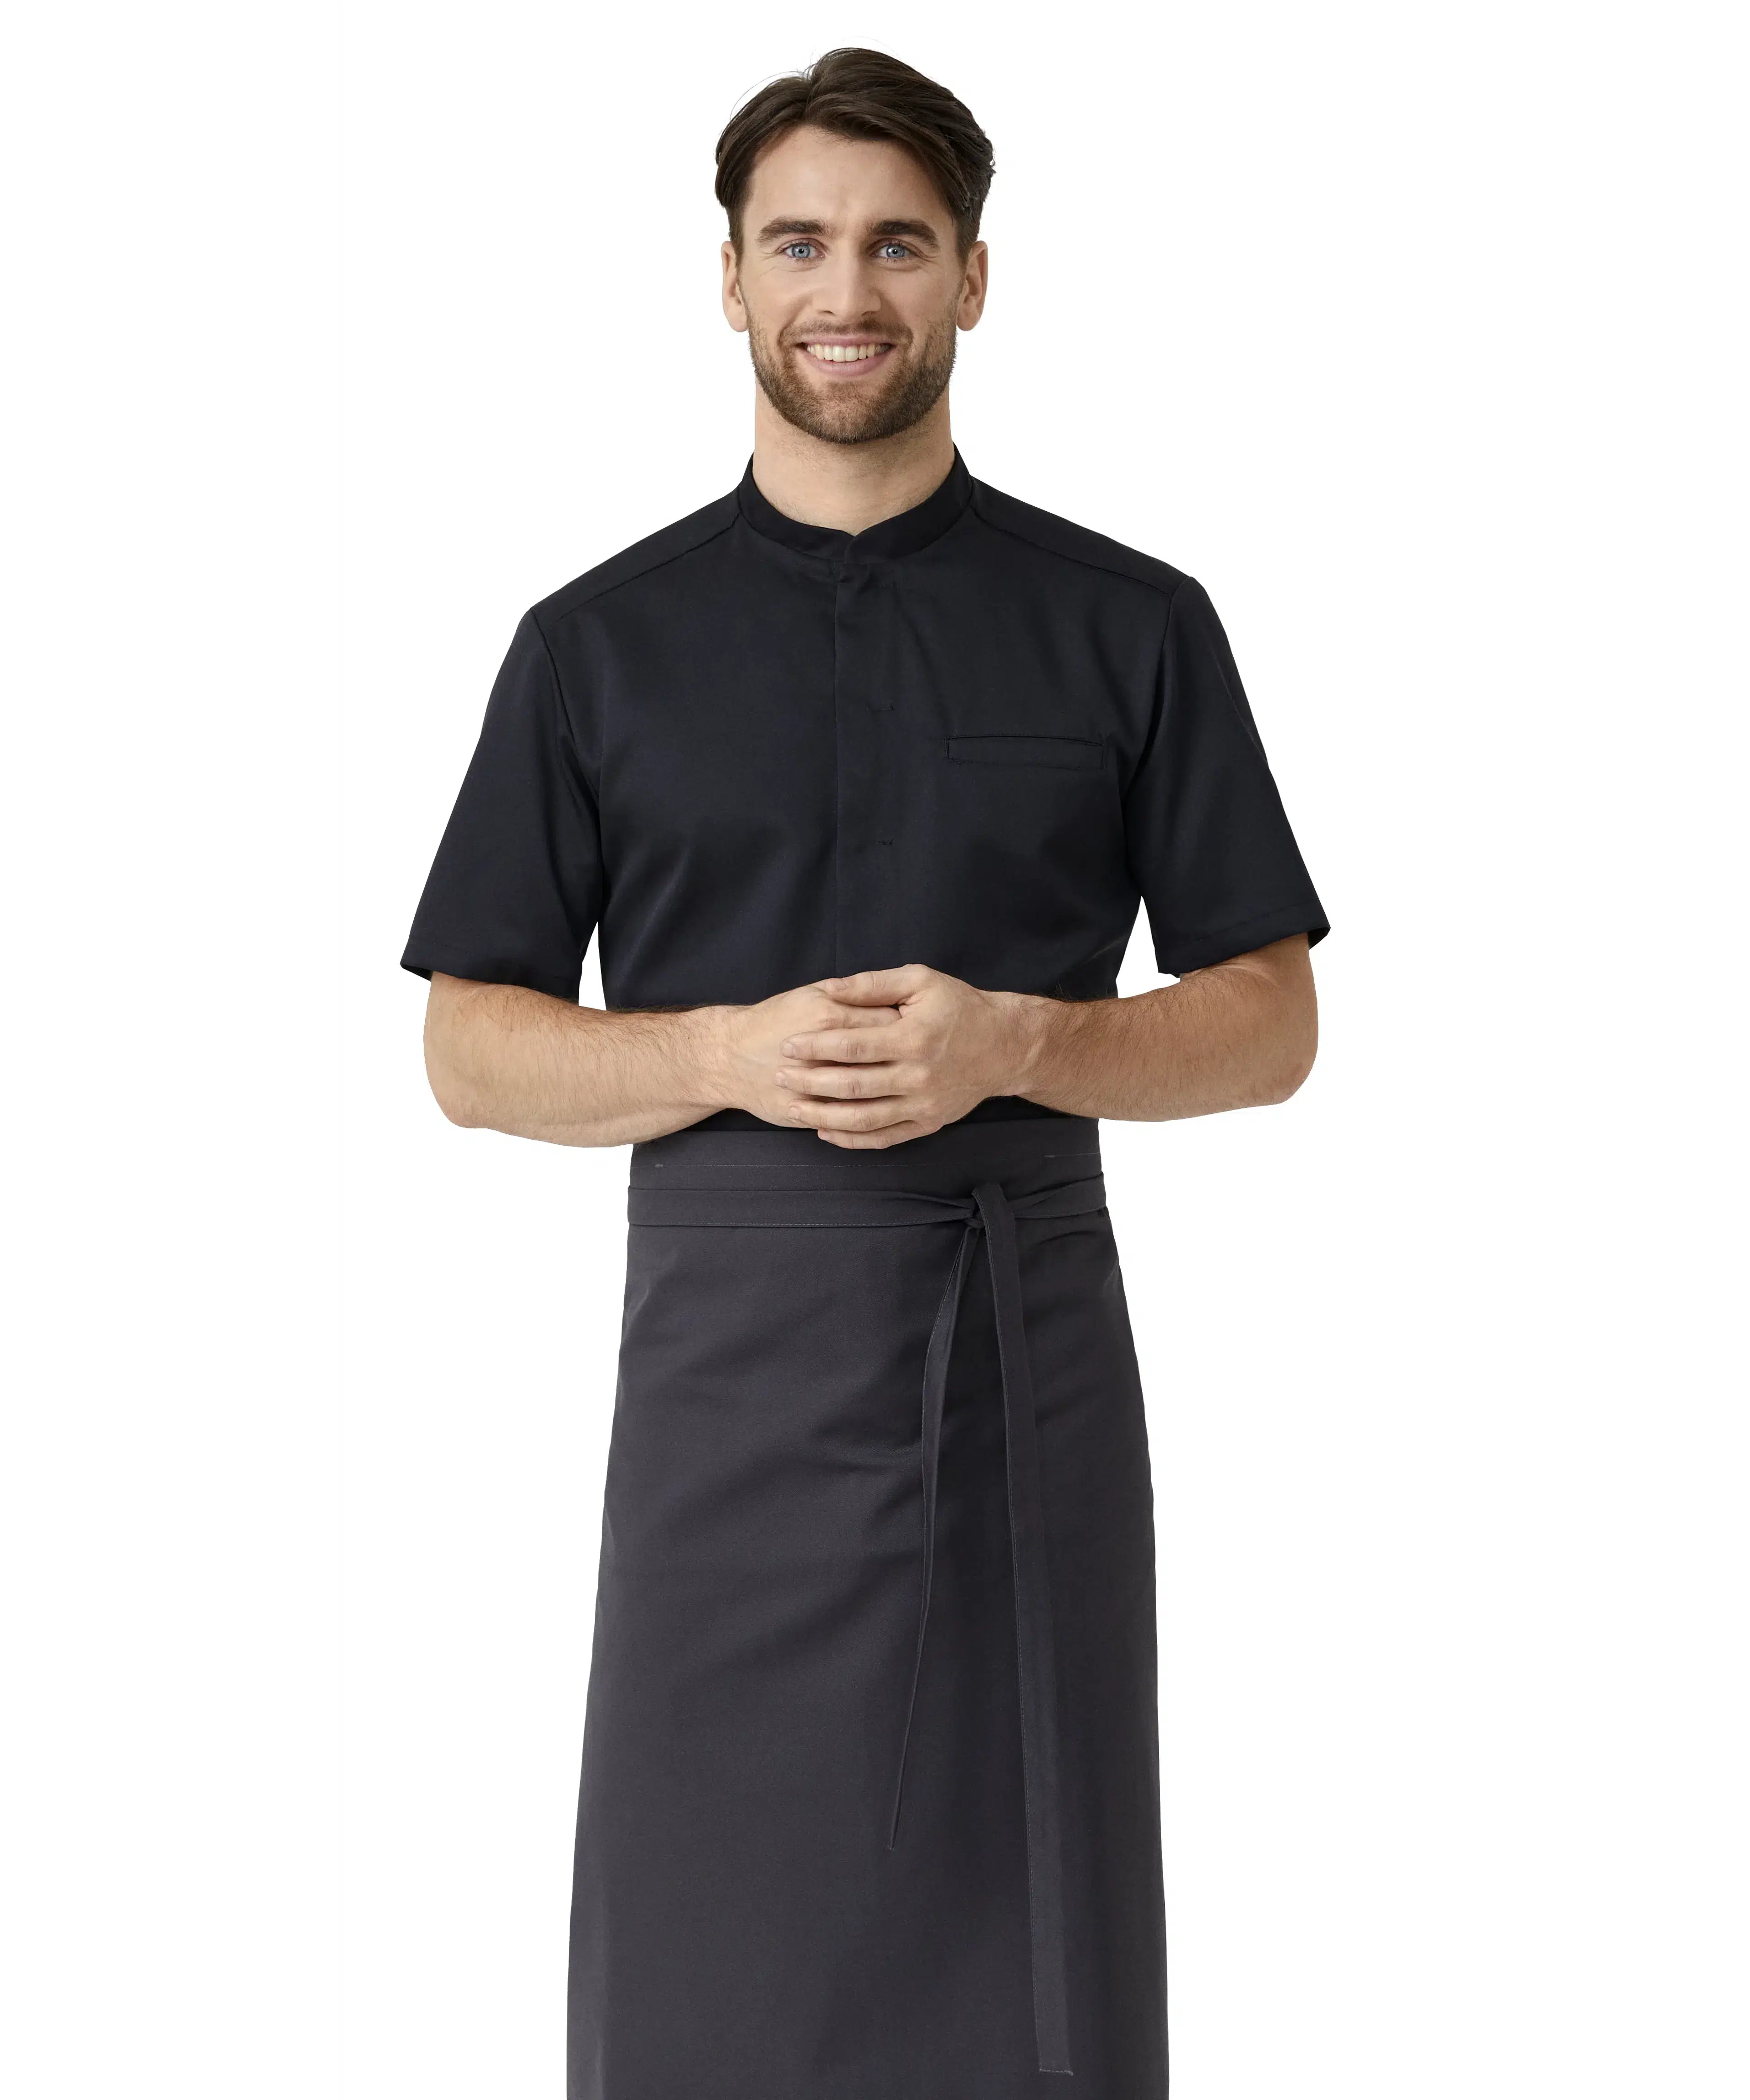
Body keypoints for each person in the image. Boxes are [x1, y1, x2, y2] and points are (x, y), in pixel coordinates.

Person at [402, 46, 1327, 2100]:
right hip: (720, 1389)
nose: (847, 291)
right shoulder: (594, 646)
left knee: (1035, 1947)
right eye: (799, 243)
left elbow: (1273, 1019)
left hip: (1017, 1358)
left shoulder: (1130, 624)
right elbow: (467, 1047)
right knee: (703, 1947)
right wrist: (719, 1052)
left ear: (975, 277)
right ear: (728, 278)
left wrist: (1026, 1041)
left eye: (899, 244)